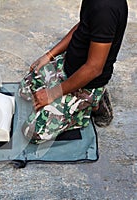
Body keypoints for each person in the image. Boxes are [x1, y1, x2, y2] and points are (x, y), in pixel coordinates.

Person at [19, 0, 128, 144]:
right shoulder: (97, 6)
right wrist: (49, 55)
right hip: (68, 66)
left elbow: (94, 68)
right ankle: (77, 100)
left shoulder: (105, 9)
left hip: (87, 82)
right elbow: (83, 25)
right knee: (25, 89)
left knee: (32, 132)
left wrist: (52, 94)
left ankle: (92, 103)